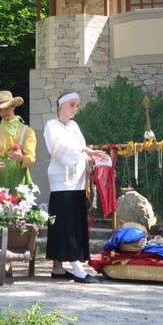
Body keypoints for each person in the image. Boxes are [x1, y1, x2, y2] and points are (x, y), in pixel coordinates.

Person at [43, 91, 109, 284]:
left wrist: (92, 158)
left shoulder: (75, 126)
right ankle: (78, 269)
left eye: (77, 105)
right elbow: (57, 148)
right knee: (65, 225)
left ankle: (58, 268)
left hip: (77, 181)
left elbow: (81, 151)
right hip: (61, 182)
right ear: (61, 105)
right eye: (72, 104)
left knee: (68, 224)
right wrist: (83, 150)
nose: (75, 109)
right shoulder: (51, 125)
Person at [0, 90, 37, 196]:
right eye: (0, 110)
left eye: (6, 108)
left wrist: (21, 158)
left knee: (19, 209)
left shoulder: (27, 131)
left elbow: (31, 158)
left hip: (18, 180)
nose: (3, 113)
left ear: (14, 106)